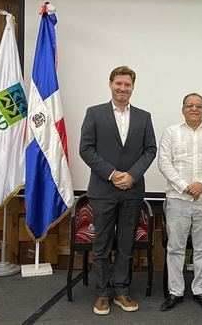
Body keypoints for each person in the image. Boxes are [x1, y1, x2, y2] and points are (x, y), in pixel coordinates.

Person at [79, 66, 157, 315]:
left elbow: (150, 150)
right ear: (110, 84)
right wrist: (113, 174)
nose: (123, 88)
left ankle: (121, 291)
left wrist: (132, 175)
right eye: (119, 84)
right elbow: (86, 149)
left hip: (132, 191)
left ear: (133, 87)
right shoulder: (94, 113)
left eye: (128, 85)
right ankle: (102, 293)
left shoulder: (144, 117)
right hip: (103, 190)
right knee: (101, 244)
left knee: (126, 244)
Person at [158, 93, 202, 311]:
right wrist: (185, 186)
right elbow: (163, 162)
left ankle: (201, 291)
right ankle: (175, 292)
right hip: (178, 198)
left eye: (199, 106)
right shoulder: (171, 132)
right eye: (190, 105)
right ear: (183, 109)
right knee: (175, 248)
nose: (194, 109)